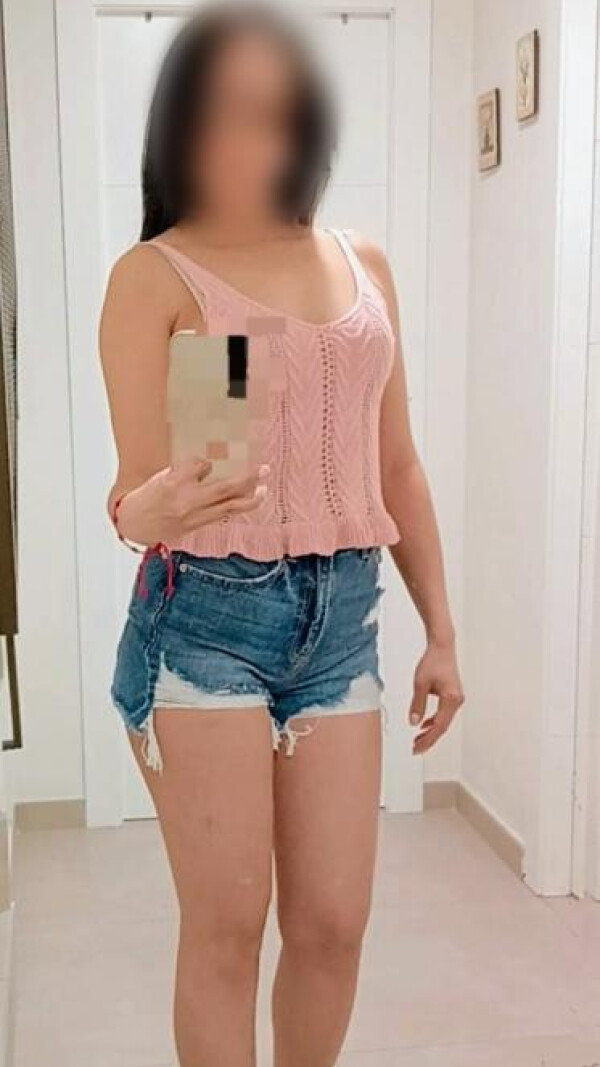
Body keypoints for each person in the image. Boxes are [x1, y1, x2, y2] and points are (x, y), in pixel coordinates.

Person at [100, 5, 464, 1065]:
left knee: (333, 926)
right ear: (182, 124)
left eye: (276, 108)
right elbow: (145, 492)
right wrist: (148, 510)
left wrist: (442, 631)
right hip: (205, 620)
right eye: (227, 109)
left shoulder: (364, 264)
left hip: (342, 622)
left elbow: (397, 466)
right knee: (225, 929)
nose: (254, 133)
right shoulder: (158, 275)